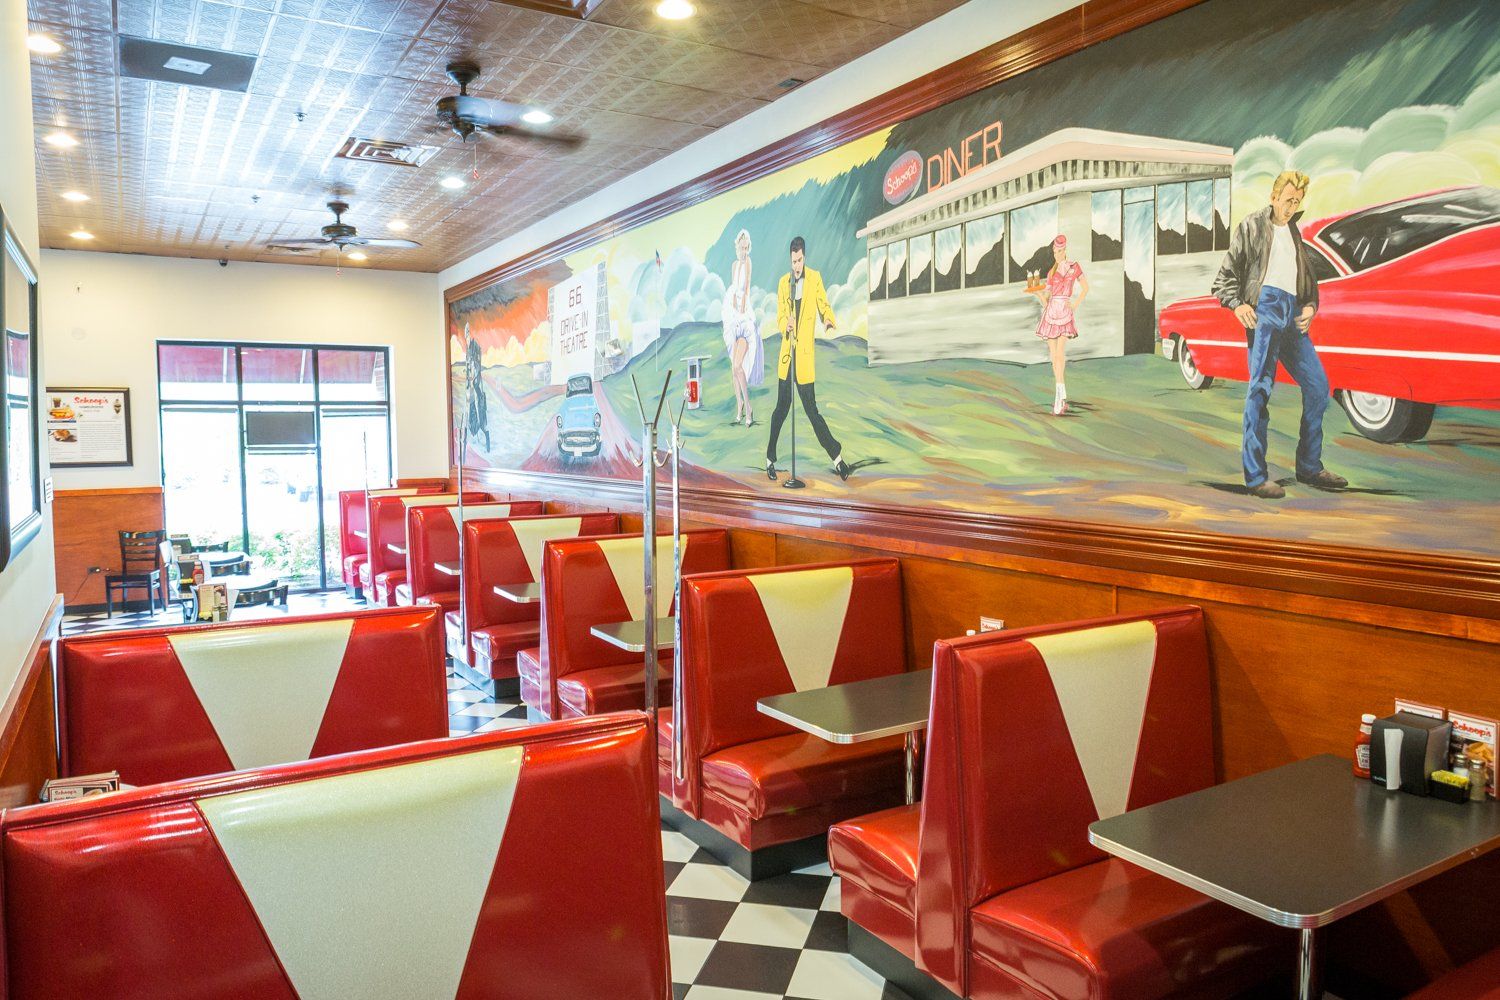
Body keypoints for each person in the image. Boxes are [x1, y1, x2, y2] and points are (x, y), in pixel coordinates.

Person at [1211, 170, 1347, 500]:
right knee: (1260, 389)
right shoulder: (1252, 226)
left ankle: (1309, 467)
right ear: (1273, 197)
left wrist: (1310, 308)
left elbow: (1308, 284)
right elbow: (1224, 279)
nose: (1291, 207)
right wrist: (1237, 304)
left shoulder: (1295, 234)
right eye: (1287, 200)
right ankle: (1256, 476)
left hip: (1291, 317)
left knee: (1318, 386)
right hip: (1265, 312)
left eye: (1297, 202)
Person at [766, 236, 852, 481]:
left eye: (800, 260)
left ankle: (837, 460)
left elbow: (823, 303)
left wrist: (827, 318)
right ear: (789, 259)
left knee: (812, 411)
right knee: (781, 410)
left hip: (804, 360)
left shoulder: (814, 278)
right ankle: (769, 459)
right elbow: (780, 316)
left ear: (805, 257)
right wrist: (786, 324)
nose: (797, 265)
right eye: (793, 261)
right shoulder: (783, 284)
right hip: (787, 358)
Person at [1027, 234, 1088, 415]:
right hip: (1051, 312)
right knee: (1054, 357)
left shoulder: (1073, 267)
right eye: (1055, 252)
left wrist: (1075, 305)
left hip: (1065, 312)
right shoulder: (1051, 273)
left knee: (1060, 353)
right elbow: (1046, 300)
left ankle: (1059, 396)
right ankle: (1060, 393)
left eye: (1059, 251)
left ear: (1065, 250)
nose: (1057, 255)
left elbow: (1085, 288)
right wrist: (1036, 293)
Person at [721, 229, 764, 426]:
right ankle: (740, 405)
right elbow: (733, 289)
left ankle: (748, 406)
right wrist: (732, 309)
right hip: (733, 315)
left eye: (747, 248)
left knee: (738, 366)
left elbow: (746, 289)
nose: (744, 251)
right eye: (742, 248)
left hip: (744, 317)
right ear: (736, 247)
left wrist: (742, 308)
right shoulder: (733, 265)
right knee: (734, 368)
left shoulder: (748, 263)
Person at [463, 324, 490, 453]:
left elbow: (475, 369)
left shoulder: (474, 348)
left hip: (475, 387)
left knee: (479, 414)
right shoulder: (468, 351)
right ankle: (477, 435)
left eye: (467, 334)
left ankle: (485, 439)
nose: (466, 338)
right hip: (471, 389)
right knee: (471, 411)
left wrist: (473, 378)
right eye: (465, 335)